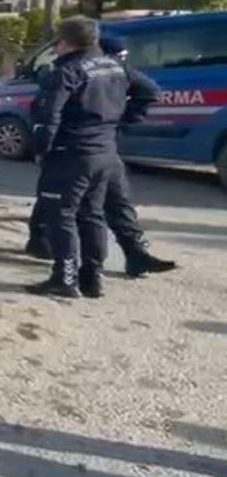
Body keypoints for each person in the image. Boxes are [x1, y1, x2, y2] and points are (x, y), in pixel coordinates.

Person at [26, 18, 158, 299]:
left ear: (65, 42)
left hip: (71, 152)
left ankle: (64, 278)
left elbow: (49, 116)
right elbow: (150, 92)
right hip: (105, 152)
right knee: (91, 214)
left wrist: (41, 150)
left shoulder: (67, 70)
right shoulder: (115, 65)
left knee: (61, 215)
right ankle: (92, 279)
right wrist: (121, 120)